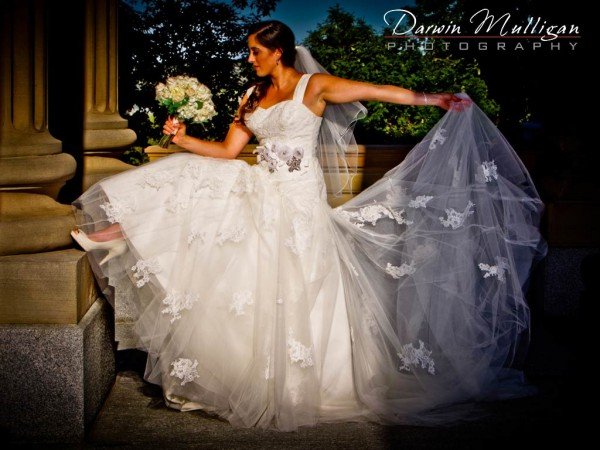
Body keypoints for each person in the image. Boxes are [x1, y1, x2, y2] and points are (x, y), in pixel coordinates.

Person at [71, 20, 546, 431]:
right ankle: (127, 234)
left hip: (297, 203)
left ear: (278, 51)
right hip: (262, 189)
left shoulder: (313, 87)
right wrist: (184, 138)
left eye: (255, 50)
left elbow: (376, 91)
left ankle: (306, 381)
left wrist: (431, 98)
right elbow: (228, 151)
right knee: (208, 191)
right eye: (249, 51)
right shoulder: (251, 95)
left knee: (299, 284)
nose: (249, 57)